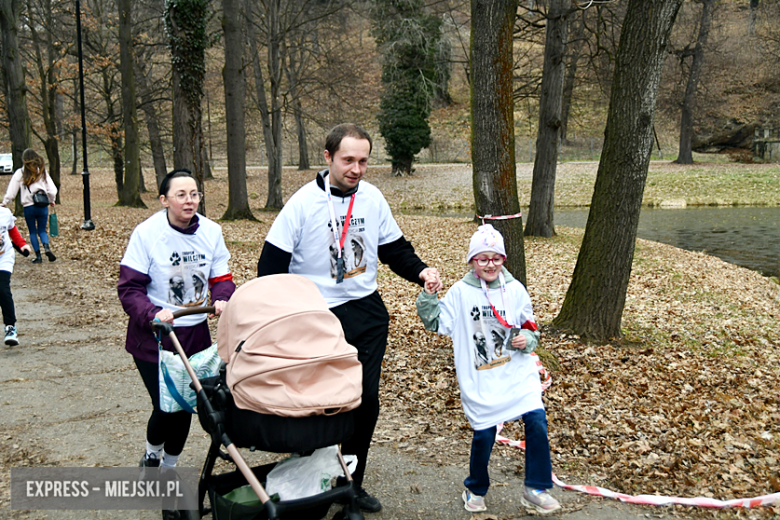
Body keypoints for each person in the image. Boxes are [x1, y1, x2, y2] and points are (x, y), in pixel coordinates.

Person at [256, 123, 442, 513]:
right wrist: (283, 316)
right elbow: (270, 267)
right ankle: (311, 479)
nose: (356, 169)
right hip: (315, 316)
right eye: (348, 160)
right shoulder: (303, 203)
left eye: (363, 161)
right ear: (328, 158)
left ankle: (351, 485)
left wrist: (421, 271)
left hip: (365, 312)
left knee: (365, 400)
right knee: (319, 402)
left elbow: (394, 249)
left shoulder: (372, 198)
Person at [415, 224, 560, 515]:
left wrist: (527, 339)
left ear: (503, 259)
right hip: (481, 378)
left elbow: (530, 326)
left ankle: (536, 488)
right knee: (484, 434)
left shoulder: (515, 289)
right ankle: (476, 488)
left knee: (536, 420)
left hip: (517, 374)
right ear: (472, 261)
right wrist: (429, 296)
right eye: (483, 259)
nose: (490, 264)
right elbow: (436, 322)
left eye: (496, 258)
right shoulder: (460, 292)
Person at [118, 169, 235, 472]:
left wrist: (222, 297)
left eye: (194, 194)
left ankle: (169, 466)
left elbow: (221, 277)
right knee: (165, 405)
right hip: (155, 337)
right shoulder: (147, 233)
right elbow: (129, 289)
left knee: (185, 405)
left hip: (195, 335)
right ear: (164, 200)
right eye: (181, 195)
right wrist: (152, 314)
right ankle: (152, 455)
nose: (189, 201)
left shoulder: (211, 232)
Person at [2, 149, 57, 264]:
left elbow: (12, 191)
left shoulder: (20, 173)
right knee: (42, 230)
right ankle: (46, 247)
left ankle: (38, 256)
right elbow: (52, 189)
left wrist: (5, 202)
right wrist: (52, 200)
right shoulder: (42, 171)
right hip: (42, 205)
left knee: (32, 231)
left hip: (29, 207)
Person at [0, 204, 32, 345]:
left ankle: (10, 327)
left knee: (3, 290)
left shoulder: (4, 213)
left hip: (4, 257)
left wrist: (22, 244)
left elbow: (12, 230)